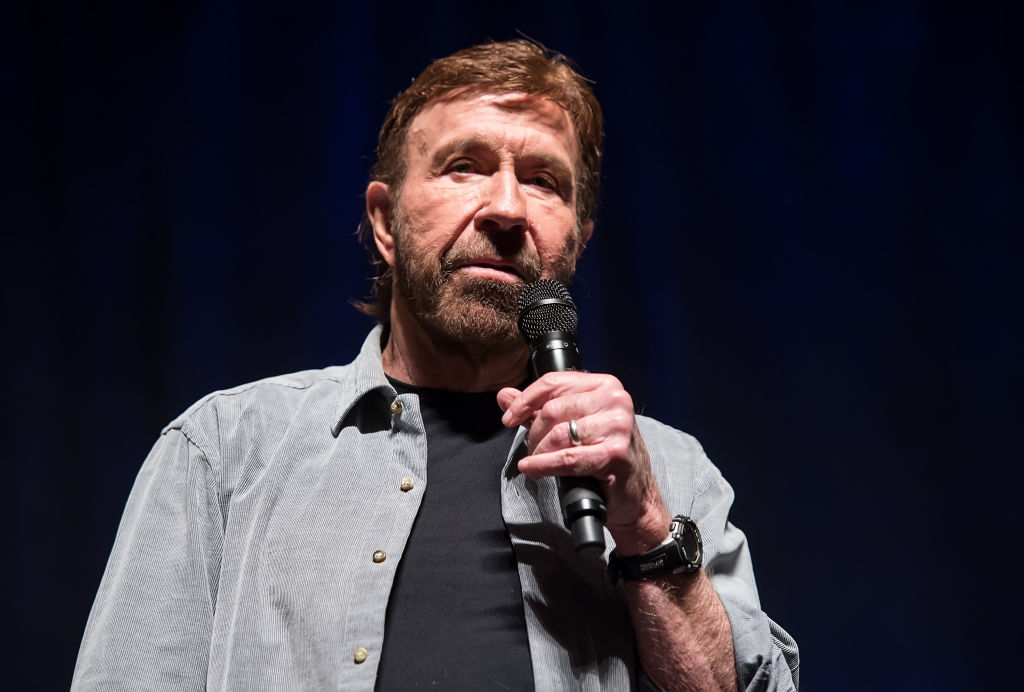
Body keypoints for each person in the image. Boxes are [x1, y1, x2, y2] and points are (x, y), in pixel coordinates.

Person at [73, 40, 799, 691]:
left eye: (544, 181)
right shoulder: (226, 452)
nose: (507, 208)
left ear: (578, 241)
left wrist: (643, 528)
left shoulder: (668, 472)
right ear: (385, 223)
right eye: (465, 167)